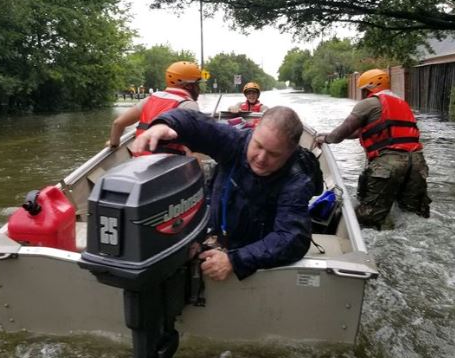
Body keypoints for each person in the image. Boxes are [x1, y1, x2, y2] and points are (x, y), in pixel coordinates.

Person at [130, 106, 316, 281]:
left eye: (273, 154)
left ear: (290, 153)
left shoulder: (297, 180)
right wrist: (165, 123)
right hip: (218, 231)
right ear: (254, 133)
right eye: (258, 145)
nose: (260, 158)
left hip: (256, 252)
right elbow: (197, 124)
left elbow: (292, 239)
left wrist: (235, 260)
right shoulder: (235, 141)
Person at [314, 69, 431, 230]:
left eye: (363, 90)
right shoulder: (401, 104)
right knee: (411, 214)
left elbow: (343, 131)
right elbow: (363, 131)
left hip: (389, 163)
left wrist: (325, 138)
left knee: (368, 217)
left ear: (371, 87)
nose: (362, 94)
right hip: (417, 163)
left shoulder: (368, 104)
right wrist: (332, 135)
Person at [107, 61, 202, 151]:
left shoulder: (149, 99)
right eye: (198, 84)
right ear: (189, 86)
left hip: (139, 160)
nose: (199, 88)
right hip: (171, 162)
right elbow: (195, 144)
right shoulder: (189, 105)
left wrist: (114, 144)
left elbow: (118, 124)